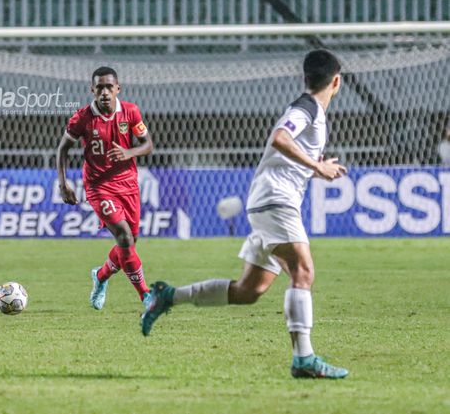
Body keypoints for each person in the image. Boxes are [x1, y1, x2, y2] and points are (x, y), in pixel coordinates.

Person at [141, 49, 349, 379]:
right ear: (336, 82)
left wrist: (315, 169)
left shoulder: (314, 115)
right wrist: (317, 165)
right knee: (303, 270)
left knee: (247, 291)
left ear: (305, 77)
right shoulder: (307, 107)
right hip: (274, 199)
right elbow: (279, 138)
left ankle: (167, 296)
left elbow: (286, 156)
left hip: (270, 200)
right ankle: (304, 358)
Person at [57, 66, 154, 310]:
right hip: (99, 186)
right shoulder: (82, 118)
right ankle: (146, 295)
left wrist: (128, 152)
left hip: (128, 184)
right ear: (92, 90)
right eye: (99, 87)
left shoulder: (130, 112)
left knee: (129, 242)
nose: (104, 92)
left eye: (109, 87)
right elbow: (63, 149)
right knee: (123, 235)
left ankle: (100, 277)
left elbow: (148, 145)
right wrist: (63, 182)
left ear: (117, 89)